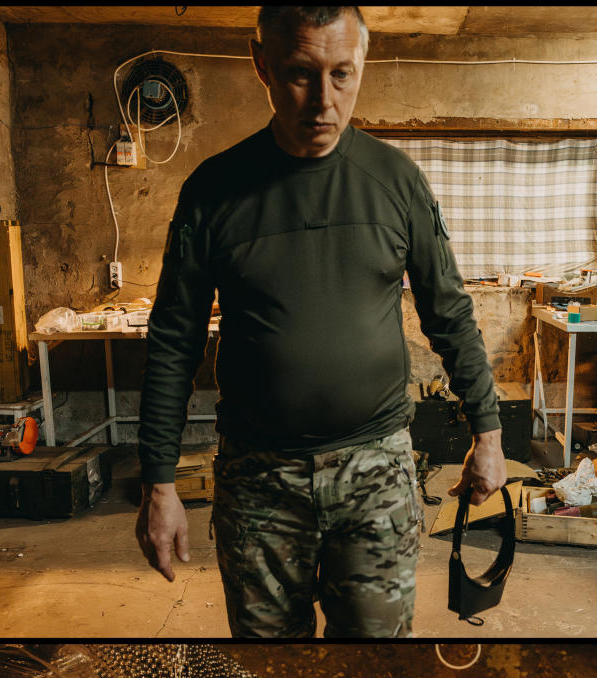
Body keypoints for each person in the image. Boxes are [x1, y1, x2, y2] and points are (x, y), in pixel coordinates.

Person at [135, 5, 507, 636]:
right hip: (258, 482)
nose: (323, 102)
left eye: (342, 74)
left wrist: (489, 434)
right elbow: (173, 341)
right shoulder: (215, 189)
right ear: (262, 66)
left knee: (378, 663)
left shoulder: (396, 181)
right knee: (273, 666)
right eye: (300, 74)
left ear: (363, 63)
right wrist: (159, 484)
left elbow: (450, 314)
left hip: (377, 474)